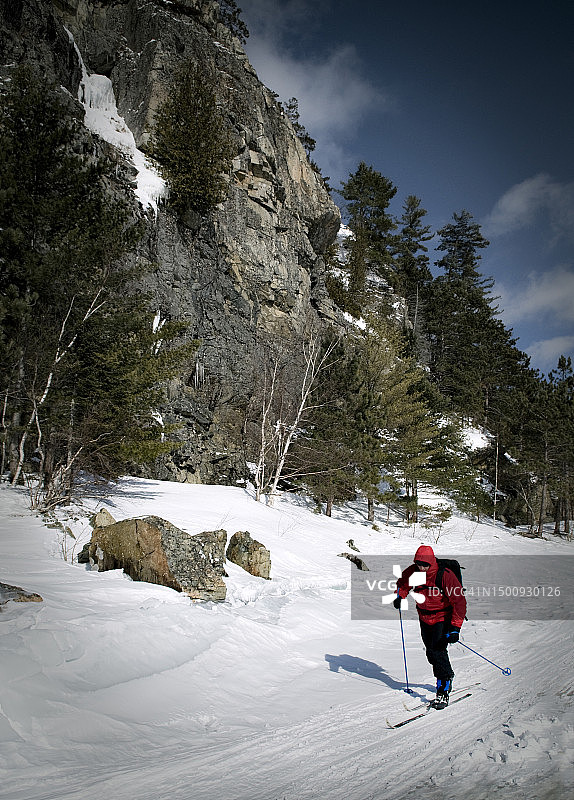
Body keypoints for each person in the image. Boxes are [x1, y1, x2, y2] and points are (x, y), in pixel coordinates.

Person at [394, 544, 466, 708]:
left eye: (424, 564)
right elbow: (403, 584)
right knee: (431, 652)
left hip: (443, 617)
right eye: (419, 563)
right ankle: (445, 677)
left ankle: (443, 687)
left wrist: (455, 628)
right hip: (424, 617)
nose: (421, 567)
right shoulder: (415, 572)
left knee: (437, 651)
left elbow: (459, 602)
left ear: (431, 562)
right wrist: (400, 596)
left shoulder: (443, 575)